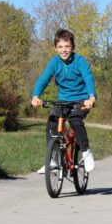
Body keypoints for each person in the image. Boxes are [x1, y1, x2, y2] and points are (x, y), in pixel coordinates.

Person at [31, 28, 96, 174]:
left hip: (82, 99)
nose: (64, 50)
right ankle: (53, 159)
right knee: (52, 120)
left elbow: (88, 78)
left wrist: (91, 97)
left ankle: (86, 152)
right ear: (55, 48)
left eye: (67, 46)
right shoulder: (55, 62)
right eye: (60, 47)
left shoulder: (80, 61)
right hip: (63, 100)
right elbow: (43, 79)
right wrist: (35, 96)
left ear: (72, 47)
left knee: (74, 119)